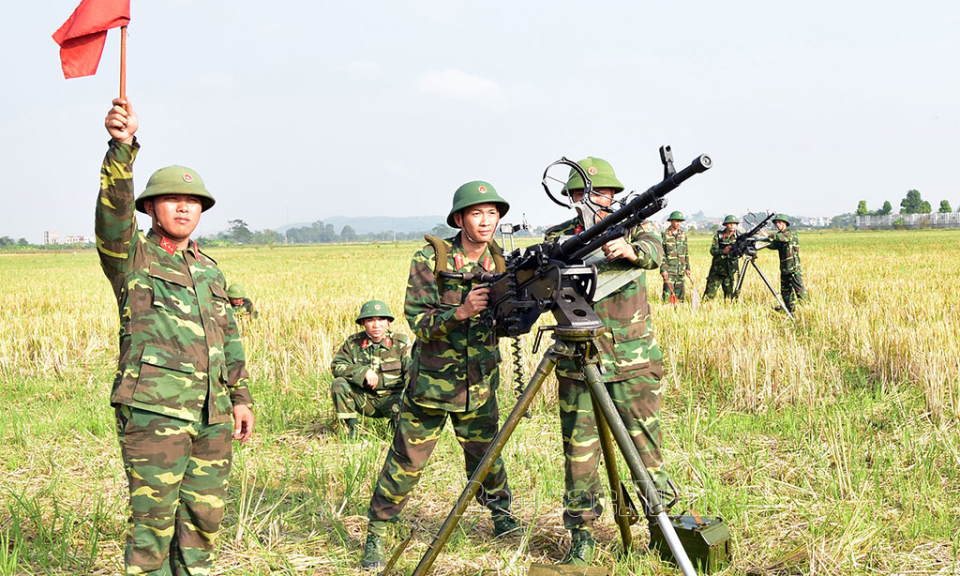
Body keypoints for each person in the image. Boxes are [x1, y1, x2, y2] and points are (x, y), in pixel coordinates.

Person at [97, 99, 255, 576]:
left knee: (203, 520)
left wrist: (241, 398)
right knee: (152, 526)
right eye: (172, 199)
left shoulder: (210, 270)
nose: (184, 207)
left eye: (193, 202)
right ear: (151, 207)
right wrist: (121, 149)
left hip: (214, 415)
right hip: (155, 411)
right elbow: (113, 216)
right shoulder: (133, 255)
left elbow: (227, 337)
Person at [360, 181, 520, 570]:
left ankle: (501, 516)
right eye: (477, 213)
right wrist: (460, 312)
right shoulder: (432, 258)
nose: (487, 221)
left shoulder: (501, 261)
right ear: (459, 219)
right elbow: (418, 321)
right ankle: (377, 533)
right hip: (431, 385)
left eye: (493, 213)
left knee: (487, 456)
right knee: (406, 461)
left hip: (479, 384)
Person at [543, 157, 669, 566]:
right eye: (580, 193)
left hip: (633, 361)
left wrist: (630, 250)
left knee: (645, 450)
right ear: (569, 197)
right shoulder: (559, 237)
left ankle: (662, 527)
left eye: (598, 193)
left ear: (614, 195)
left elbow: (654, 252)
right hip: (580, 361)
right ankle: (582, 535)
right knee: (580, 454)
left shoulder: (636, 225)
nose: (590, 200)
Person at [330, 299, 410, 438]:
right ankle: (352, 430)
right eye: (370, 320)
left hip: (393, 399)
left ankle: (398, 427)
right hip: (365, 400)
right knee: (339, 385)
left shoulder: (401, 342)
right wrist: (362, 372)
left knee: (411, 391)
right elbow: (337, 366)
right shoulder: (353, 343)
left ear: (388, 322)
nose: (376, 325)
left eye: (381, 319)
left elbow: (413, 372)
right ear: (362, 323)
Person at [760, 214, 806, 312]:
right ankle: (790, 309)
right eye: (776, 223)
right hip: (785, 269)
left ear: (785, 223)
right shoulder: (780, 236)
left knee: (799, 291)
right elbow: (773, 245)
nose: (777, 224)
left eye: (779, 222)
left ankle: (806, 309)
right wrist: (763, 240)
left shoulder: (791, 233)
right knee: (785, 291)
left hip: (794, 268)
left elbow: (781, 237)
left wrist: (768, 235)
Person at [703, 215, 741, 300]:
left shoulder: (739, 237)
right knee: (709, 295)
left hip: (730, 270)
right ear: (725, 225)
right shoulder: (719, 236)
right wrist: (723, 251)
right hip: (717, 270)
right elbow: (712, 251)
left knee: (728, 297)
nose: (732, 226)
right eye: (730, 224)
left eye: (734, 224)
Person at [660, 211, 691, 302]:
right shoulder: (664, 234)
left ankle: (680, 314)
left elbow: (686, 253)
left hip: (681, 270)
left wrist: (688, 268)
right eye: (677, 221)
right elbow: (661, 254)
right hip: (669, 270)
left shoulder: (683, 234)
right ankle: (667, 313)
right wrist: (663, 269)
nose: (679, 223)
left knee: (680, 298)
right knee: (667, 296)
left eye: (680, 221)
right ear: (671, 221)